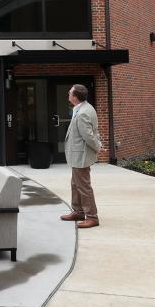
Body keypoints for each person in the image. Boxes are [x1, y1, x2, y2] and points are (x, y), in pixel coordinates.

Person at [60, 84, 102, 229]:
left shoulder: (83, 112)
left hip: (81, 156)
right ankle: (78, 212)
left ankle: (92, 217)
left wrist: (98, 147)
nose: (68, 93)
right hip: (77, 155)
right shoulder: (83, 108)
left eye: (70, 92)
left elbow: (89, 136)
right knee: (75, 184)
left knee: (84, 187)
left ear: (75, 97)